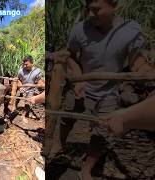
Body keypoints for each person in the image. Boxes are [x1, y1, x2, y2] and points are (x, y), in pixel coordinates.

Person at [49, 0, 152, 179]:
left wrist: (145, 70)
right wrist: (78, 77)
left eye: (96, 9)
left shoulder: (130, 31)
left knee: (101, 132)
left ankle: (86, 170)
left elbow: (136, 59)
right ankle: (61, 146)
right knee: (67, 118)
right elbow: (71, 56)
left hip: (108, 90)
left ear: (113, 6)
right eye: (88, 9)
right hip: (82, 84)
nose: (90, 14)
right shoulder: (80, 30)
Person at [9, 55, 45, 123]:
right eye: (24, 64)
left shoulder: (37, 71)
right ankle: (12, 105)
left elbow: (39, 82)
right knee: (15, 87)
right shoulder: (21, 70)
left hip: (31, 89)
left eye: (26, 64)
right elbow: (18, 79)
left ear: (32, 63)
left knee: (28, 102)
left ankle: (23, 115)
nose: (25, 66)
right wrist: (20, 85)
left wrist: (34, 85)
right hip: (22, 87)